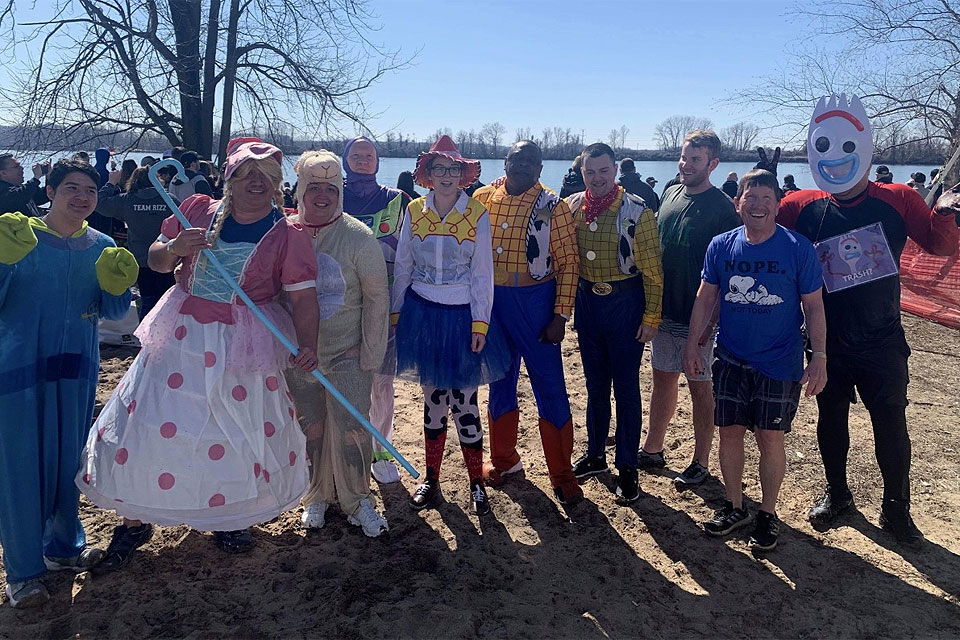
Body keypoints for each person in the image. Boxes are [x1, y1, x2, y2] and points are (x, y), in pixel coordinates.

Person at [77, 140, 321, 566]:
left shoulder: (288, 234)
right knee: (154, 420)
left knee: (233, 426)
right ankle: (135, 519)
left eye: (265, 176)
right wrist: (173, 250)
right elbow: (153, 260)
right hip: (182, 333)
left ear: (278, 184)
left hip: (246, 340)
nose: (256, 183)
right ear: (230, 179)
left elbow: (303, 299)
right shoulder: (195, 210)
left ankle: (229, 516)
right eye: (247, 174)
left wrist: (308, 345)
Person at [778, 94, 960, 548]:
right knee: (831, 420)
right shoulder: (799, 206)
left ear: (866, 144)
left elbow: (939, 247)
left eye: (846, 145)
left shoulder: (898, 199)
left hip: (882, 341)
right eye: (823, 145)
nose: (836, 157)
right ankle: (838, 496)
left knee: (891, 425)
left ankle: (897, 509)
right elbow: (760, 234)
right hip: (827, 343)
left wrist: (949, 211)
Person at [0, 159, 138, 608]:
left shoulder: (100, 245)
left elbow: (115, 315)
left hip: (77, 368)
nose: (81, 198)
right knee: (20, 468)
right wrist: (2, 263)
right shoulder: (19, 238)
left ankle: (62, 548)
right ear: (51, 191)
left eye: (90, 192)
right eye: (71, 188)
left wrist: (119, 282)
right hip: (19, 370)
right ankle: (22, 571)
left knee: (66, 464)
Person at [685, 169, 827, 552]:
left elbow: (813, 307)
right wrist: (691, 345)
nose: (759, 205)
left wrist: (819, 358)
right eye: (751, 198)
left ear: (778, 205)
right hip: (731, 357)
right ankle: (734, 506)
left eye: (767, 198)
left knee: (770, 438)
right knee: (729, 432)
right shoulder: (721, 245)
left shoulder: (798, 248)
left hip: (779, 362)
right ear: (738, 203)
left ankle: (767, 512)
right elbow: (705, 296)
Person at [392, 135, 509, 515]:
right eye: (439, 168)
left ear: (463, 175)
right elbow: (404, 266)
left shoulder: (476, 213)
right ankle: (431, 479)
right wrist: (397, 316)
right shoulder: (413, 210)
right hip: (423, 312)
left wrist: (480, 324)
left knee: (465, 402)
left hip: (461, 316)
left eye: (453, 169)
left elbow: (482, 274)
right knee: (433, 400)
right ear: (427, 174)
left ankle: (476, 482)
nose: (446, 175)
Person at [285, 150, 391, 537]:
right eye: (314, 188)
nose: (322, 196)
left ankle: (357, 498)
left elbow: (378, 299)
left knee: (353, 429)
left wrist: (368, 352)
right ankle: (316, 495)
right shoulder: (285, 234)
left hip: (348, 353)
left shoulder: (359, 239)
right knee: (310, 426)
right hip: (299, 354)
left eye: (331, 188)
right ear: (301, 190)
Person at [473, 141, 582, 505]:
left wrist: (560, 314)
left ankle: (562, 473)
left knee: (549, 386)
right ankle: (505, 460)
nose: (524, 166)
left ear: (541, 166)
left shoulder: (554, 206)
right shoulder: (484, 197)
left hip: (535, 302)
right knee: (499, 381)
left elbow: (569, 262)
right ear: (506, 162)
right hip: (494, 303)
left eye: (532, 161)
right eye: (518, 159)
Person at [639, 130, 740, 488]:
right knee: (662, 379)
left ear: (713, 164)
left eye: (695, 160)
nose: (686, 164)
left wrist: (710, 324)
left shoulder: (724, 209)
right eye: (684, 157)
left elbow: (731, 272)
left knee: (701, 386)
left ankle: (700, 460)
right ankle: (653, 448)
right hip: (663, 311)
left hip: (700, 316)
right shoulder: (670, 192)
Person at [567, 142, 663, 504]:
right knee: (594, 387)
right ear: (582, 172)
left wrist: (651, 317)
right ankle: (595, 454)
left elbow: (654, 272)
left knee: (625, 389)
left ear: (615, 170)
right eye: (590, 172)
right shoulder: (573, 206)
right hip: (588, 304)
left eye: (603, 170)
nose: (597, 178)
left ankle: (627, 467)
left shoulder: (637, 210)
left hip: (626, 303)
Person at [341, 136, 413, 484]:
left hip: (383, 305)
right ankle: (344, 453)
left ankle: (380, 450)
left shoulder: (398, 201)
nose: (363, 160)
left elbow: (412, 255)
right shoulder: (330, 197)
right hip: (337, 306)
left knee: (381, 383)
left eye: (369, 155)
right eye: (356, 155)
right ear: (346, 160)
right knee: (341, 381)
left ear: (378, 161)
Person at [96, 167, 180, 319]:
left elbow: (99, 203)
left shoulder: (126, 200)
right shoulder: (169, 200)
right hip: (167, 258)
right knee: (166, 301)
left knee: (147, 299)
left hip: (140, 260)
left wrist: (111, 182)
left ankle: (144, 337)